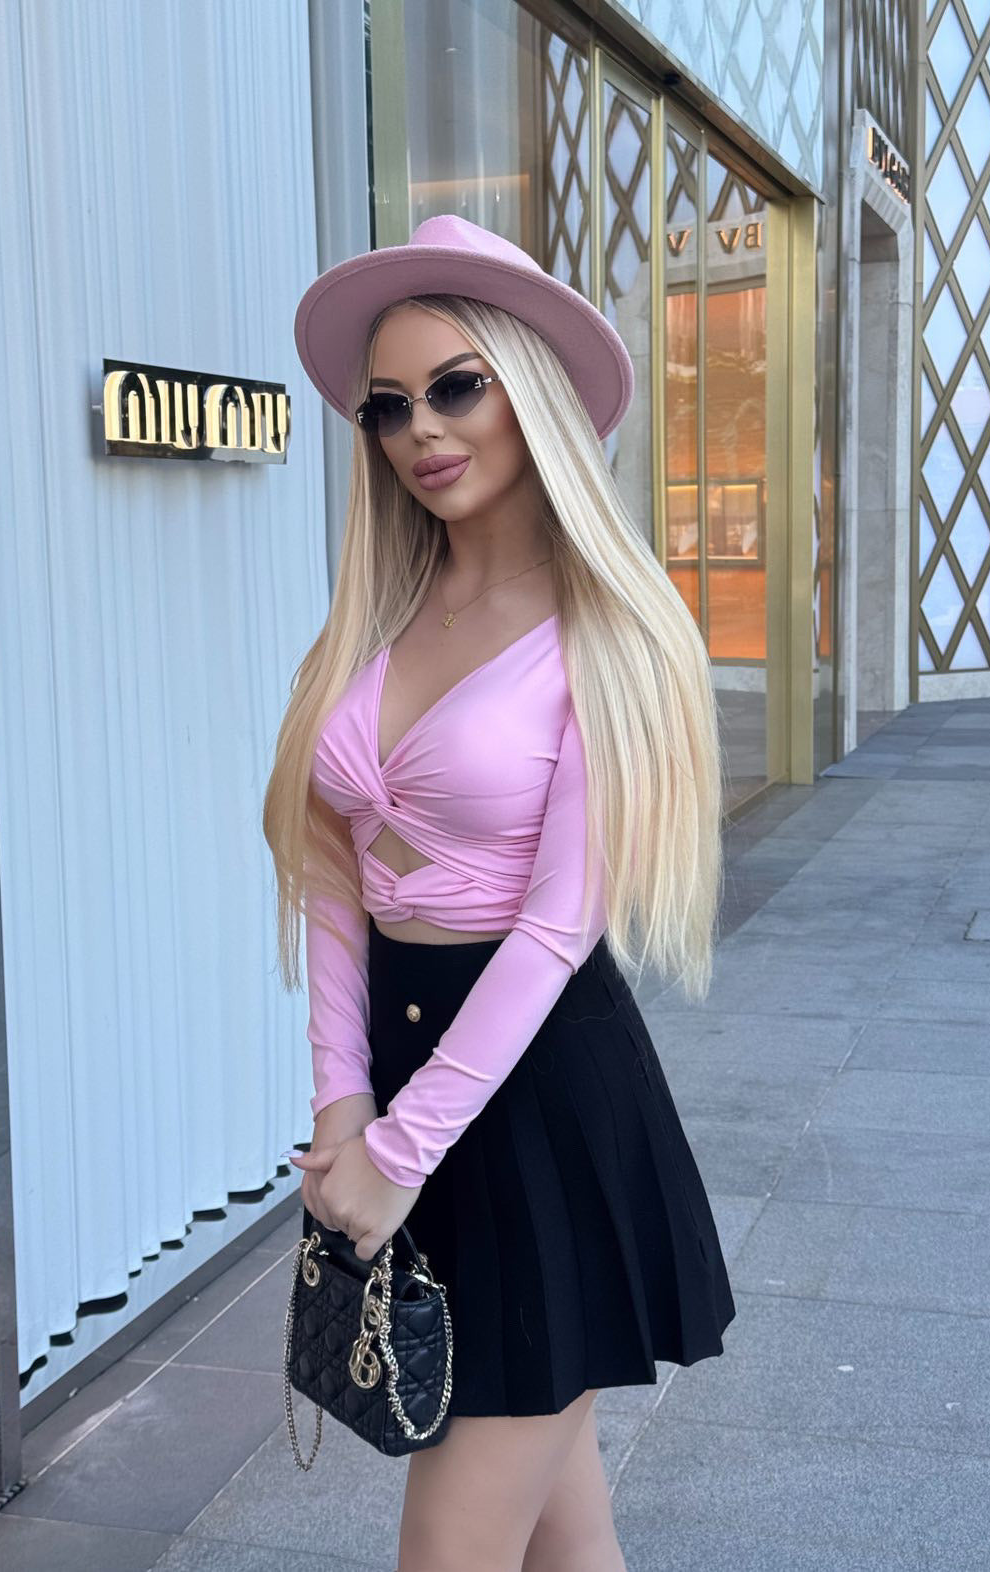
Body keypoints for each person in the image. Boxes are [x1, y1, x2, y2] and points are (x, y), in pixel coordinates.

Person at [263, 214, 736, 1572]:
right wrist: (343, 1105)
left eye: (456, 386)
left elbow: (555, 928)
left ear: (529, 391)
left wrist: (397, 1153)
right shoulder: (379, 618)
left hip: (540, 1113)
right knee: (565, 1539)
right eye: (389, 404)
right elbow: (330, 876)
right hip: (409, 1094)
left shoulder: (612, 633)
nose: (421, 428)